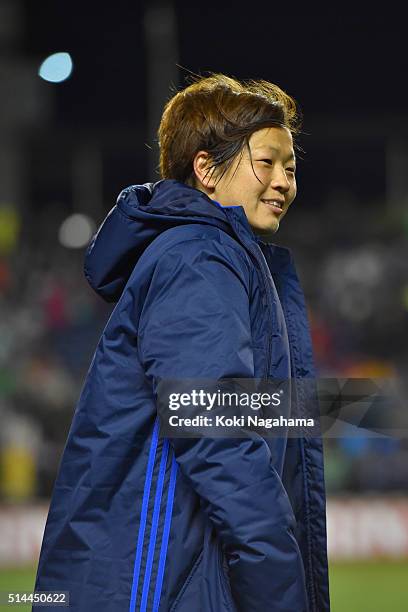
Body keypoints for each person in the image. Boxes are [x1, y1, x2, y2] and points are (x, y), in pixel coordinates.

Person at [33, 73, 330, 611]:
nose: (285, 181)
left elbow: (235, 409)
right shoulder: (199, 256)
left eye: (290, 167)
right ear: (206, 169)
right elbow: (214, 427)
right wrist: (282, 589)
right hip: (155, 579)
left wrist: (361, 409)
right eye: (266, 163)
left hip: (176, 569)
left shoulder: (220, 257)